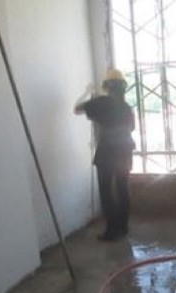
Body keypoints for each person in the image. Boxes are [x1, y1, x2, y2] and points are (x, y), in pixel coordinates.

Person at [75, 69, 135, 241]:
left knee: (106, 191)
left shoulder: (101, 102)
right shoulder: (126, 107)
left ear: (106, 86)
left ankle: (112, 231)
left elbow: (76, 109)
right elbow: (132, 128)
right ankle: (123, 227)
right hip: (125, 150)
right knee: (123, 189)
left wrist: (88, 93)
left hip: (107, 153)